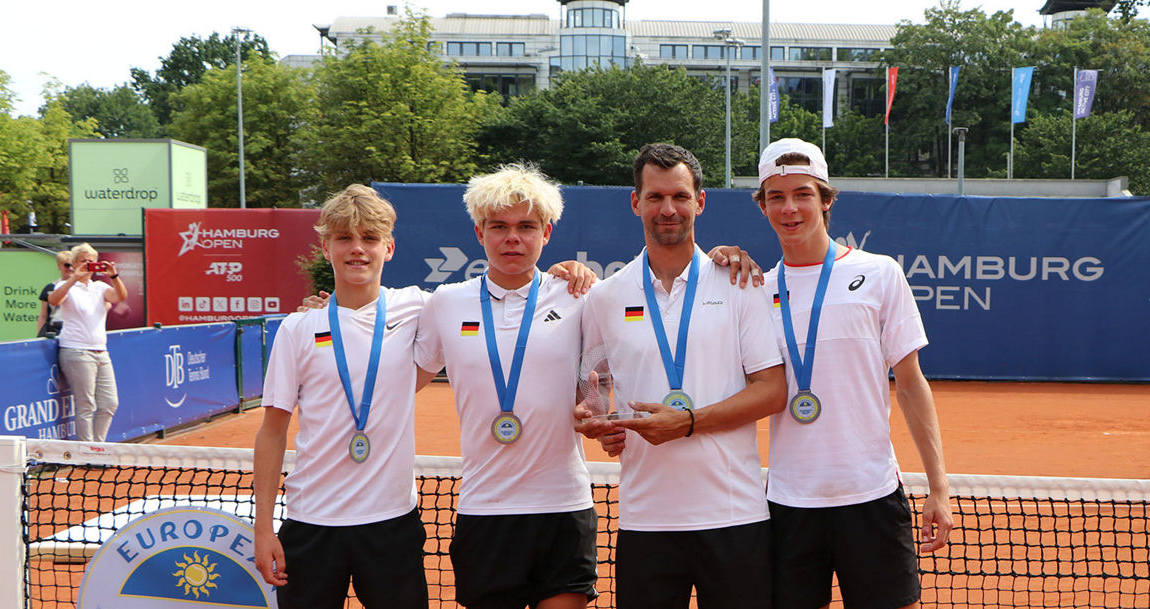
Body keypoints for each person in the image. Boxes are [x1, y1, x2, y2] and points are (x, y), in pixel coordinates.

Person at [741, 138, 953, 609]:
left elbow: (912, 385)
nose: (789, 208)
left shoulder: (880, 275)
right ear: (762, 206)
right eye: (775, 196)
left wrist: (938, 488)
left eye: (803, 194)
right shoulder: (754, 291)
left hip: (873, 497)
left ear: (827, 199)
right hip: (789, 505)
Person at [575, 143, 787, 609]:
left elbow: (772, 391)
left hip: (734, 517)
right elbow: (592, 389)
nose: (667, 209)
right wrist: (597, 421)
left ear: (700, 201)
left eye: (679, 196)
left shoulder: (741, 284)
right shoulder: (606, 297)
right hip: (645, 521)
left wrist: (687, 422)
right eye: (654, 197)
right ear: (636, 203)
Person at [413, 164, 599, 609]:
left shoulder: (580, 296)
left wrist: (591, 406)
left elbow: (599, 386)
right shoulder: (445, 303)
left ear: (547, 233)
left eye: (525, 227)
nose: (512, 238)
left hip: (563, 507)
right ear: (480, 233)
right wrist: (327, 312)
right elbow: (398, 377)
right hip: (486, 511)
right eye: (499, 226)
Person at [252, 185, 429, 608]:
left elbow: (494, 296)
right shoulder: (297, 329)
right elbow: (272, 432)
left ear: (389, 247)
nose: (357, 249)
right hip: (311, 524)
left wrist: (565, 272)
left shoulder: (420, 308)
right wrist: (262, 530)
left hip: (392, 525)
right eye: (345, 238)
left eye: (369, 238)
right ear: (326, 246)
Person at [48, 243, 128, 442]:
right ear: (74, 263)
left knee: (110, 403)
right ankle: (88, 451)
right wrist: (74, 278)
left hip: (101, 351)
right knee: (86, 404)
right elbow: (54, 300)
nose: (88, 264)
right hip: (76, 350)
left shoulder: (100, 287)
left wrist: (114, 276)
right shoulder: (65, 285)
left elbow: (120, 296)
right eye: (83, 261)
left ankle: (98, 447)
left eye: (92, 261)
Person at [36, 251, 74, 337]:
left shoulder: (82, 287)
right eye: (67, 265)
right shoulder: (50, 288)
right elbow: (43, 316)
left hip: (73, 332)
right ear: (59, 266)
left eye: (73, 265)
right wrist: (39, 336)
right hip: (53, 332)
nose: (71, 268)